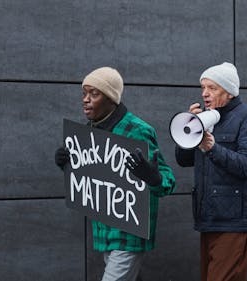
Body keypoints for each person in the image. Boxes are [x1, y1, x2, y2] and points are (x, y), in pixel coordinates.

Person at [54, 66, 176, 281]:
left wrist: (153, 177)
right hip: (104, 231)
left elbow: (167, 180)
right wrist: (67, 165)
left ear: (111, 99)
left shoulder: (136, 130)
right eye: (84, 93)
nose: (86, 99)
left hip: (129, 234)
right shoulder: (87, 133)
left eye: (94, 93)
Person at [174, 62, 247, 281]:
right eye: (203, 87)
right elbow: (183, 160)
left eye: (212, 88)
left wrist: (213, 148)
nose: (205, 93)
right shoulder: (207, 118)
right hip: (209, 217)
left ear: (230, 92)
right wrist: (189, 129)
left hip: (234, 220)